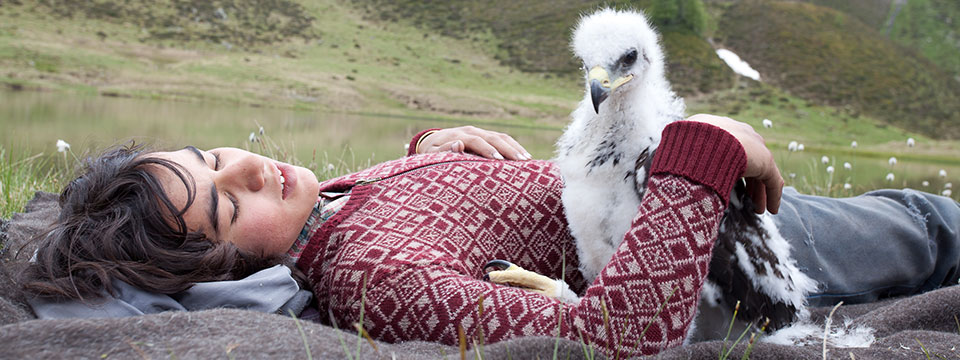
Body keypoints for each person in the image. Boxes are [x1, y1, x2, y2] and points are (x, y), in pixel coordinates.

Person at [19, 115, 960, 357]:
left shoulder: (337, 206)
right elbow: (613, 341)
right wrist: (707, 155)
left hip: (655, 195)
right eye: (227, 206)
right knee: (925, 227)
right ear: (226, 265)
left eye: (211, 155)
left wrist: (434, 152)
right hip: (715, 238)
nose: (248, 168)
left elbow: (412, 204)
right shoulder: (376, 276)